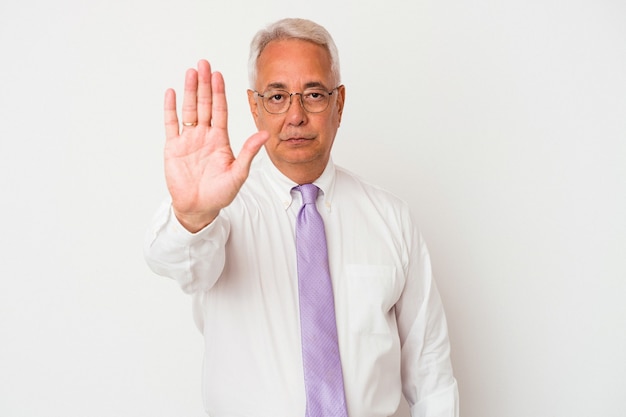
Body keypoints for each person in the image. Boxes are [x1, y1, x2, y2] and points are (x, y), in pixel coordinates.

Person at [144, 17, 459, 417]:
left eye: (313, 94)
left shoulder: (391, 218)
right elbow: (176, 262)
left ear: (339, 104)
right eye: (277, 97)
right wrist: (193, 212)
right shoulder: (222, 214)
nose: (295, 115)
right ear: (254, 108)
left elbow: (430, 372)